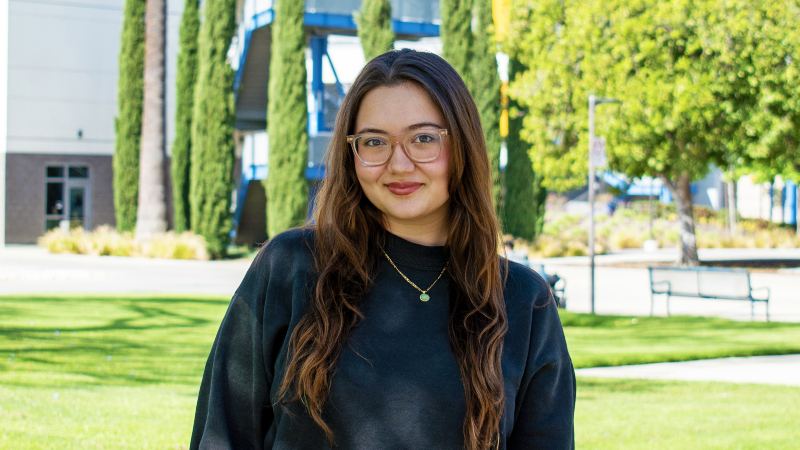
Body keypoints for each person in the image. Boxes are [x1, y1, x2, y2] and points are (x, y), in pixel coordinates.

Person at [190, 49, 575, 450]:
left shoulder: (525, 301)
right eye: (374, 142)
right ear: (350, 154)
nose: (399, 164)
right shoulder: (293, 266)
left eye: (423, 138)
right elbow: (222, 433)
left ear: (462, 144)